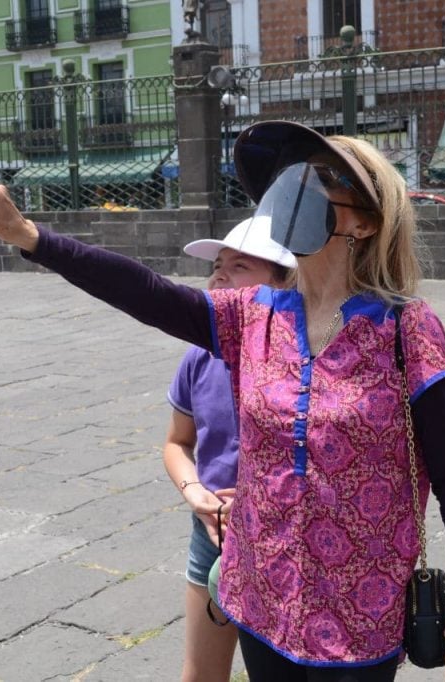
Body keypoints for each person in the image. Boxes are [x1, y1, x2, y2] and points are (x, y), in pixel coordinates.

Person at [0, 119, 445, 681]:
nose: (299, 184)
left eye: (324, 175)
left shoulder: (408, 328)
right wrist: (34, 239)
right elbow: (147, 292)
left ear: (366, 220)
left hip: (362, 607)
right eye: (294, 174)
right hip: (262, 593)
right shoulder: (251, 313)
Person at [163, 216, 295, 682]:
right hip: (213, 528)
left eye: (240, 265)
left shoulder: (301, 362)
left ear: (285, 283)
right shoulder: (199, 356)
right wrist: (194, 491)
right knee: (200, 673)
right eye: (217, 265)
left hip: (286, 540)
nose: (220, 275)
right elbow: (177, 442)